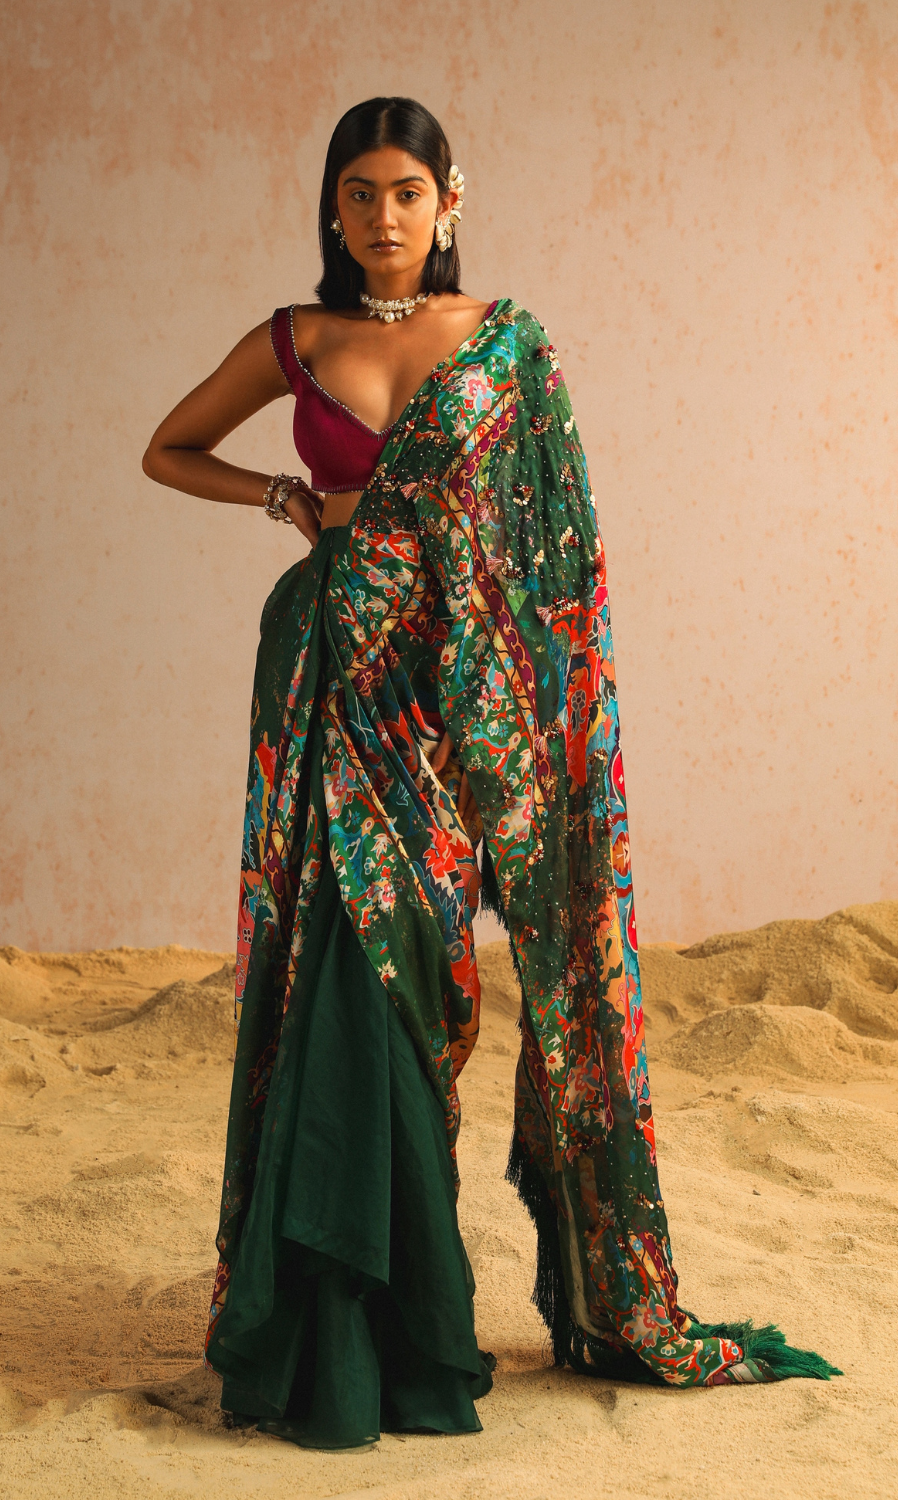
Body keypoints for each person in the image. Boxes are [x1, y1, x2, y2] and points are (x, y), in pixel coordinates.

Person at [143, 96, 839, 1450]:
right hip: (331, 687)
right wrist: (284, 501)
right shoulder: (297, 340)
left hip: (457, 706)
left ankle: (400, 1318)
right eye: (359, 193)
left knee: (421, 974)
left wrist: (517, 722)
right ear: (331, 207)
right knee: (337, 974)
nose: (383, 216)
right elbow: (167, 447)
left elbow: (557, 564)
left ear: (449, 199)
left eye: (406, 191)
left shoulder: (508, 350)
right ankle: (346, 1343)